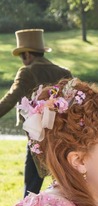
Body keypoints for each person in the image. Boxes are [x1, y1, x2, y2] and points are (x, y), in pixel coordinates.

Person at [0, 29, 73, 196]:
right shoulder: (64, 72)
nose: (23, 60)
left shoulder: (28, 71)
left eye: (22, 56)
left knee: (31, 186)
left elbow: (10, 99)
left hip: (38, 135)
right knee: (65, 181)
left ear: (27, 54)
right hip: (63, 134)